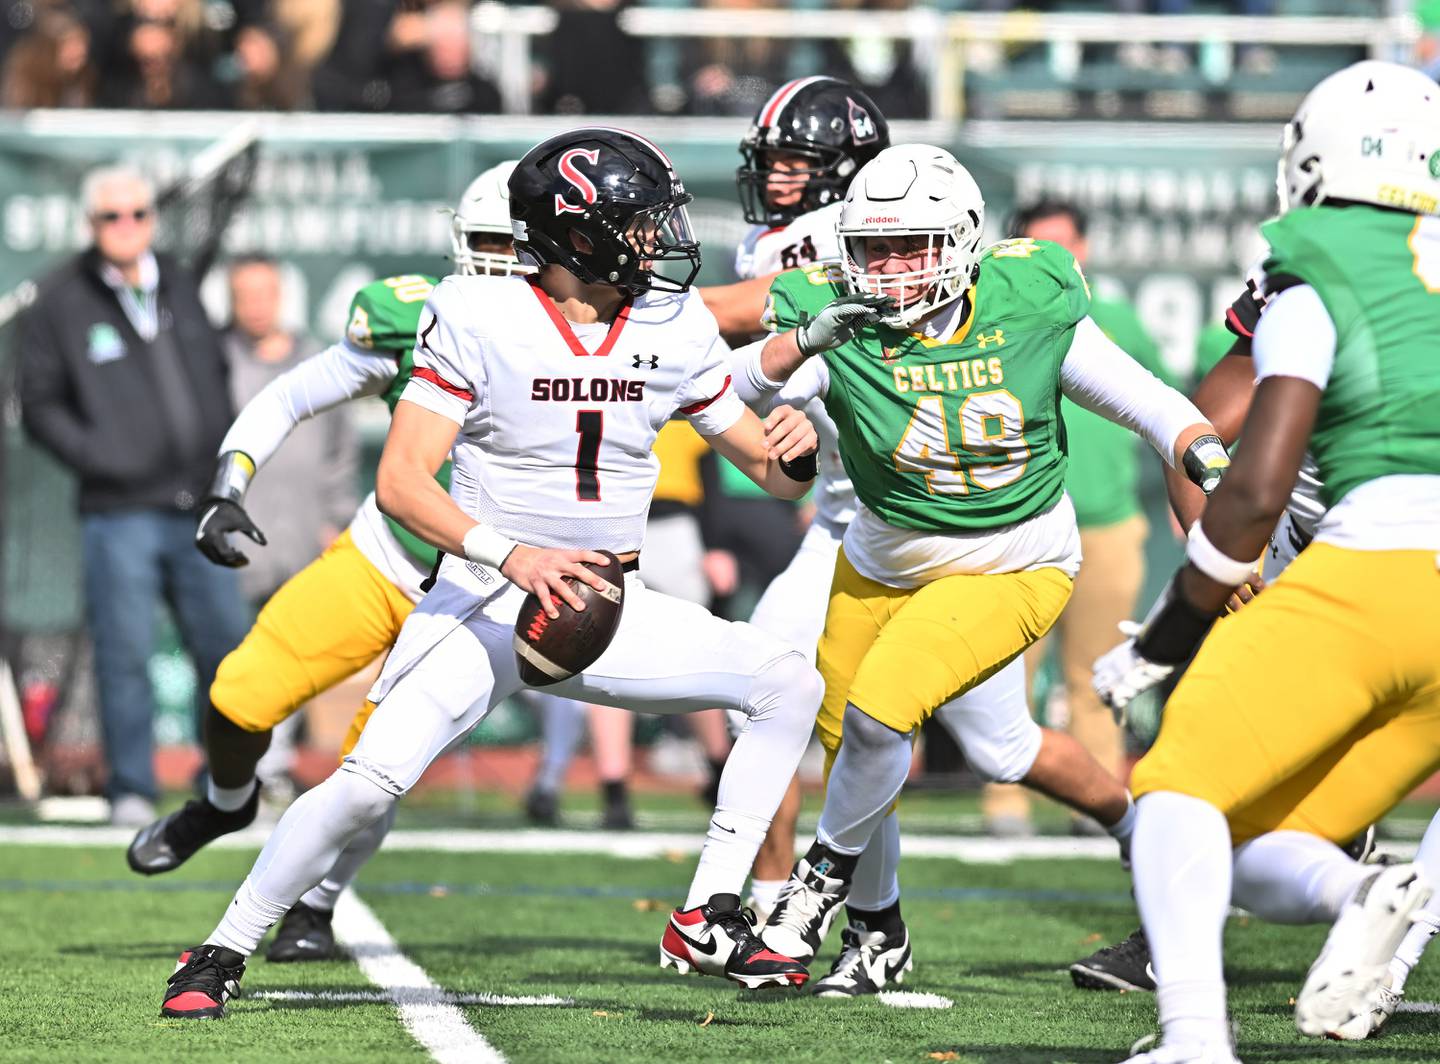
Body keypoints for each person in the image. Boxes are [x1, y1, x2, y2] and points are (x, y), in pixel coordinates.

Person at [158, 127, 829, 1019]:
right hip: (485, 596)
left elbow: (767, 465)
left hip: (604, 599)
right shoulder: (477, 315)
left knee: (788, 684)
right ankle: (223, 948)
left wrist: (797, 447)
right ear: (575, 234)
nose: (657, 240)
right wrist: (514, 553)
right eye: (636, 224)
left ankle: (707, 910)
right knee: (366, 783)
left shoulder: (676, 321)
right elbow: (400, 482)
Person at [734, 144, 1228, 976]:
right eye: (872, 249)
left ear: (962, 242)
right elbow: (730, 396)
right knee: (871, 742)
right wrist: (787, 373)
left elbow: (1161, 411)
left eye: (910, 247)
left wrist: (1216, 475)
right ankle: (879, 930)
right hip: (882, 560)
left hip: (1011, 561)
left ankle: (814, 891)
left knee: (881, 708)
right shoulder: (838, 318)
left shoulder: (1028, 303)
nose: (886, 269)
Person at [125, 162, 560, 967]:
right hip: (384, 556)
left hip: (480, 590)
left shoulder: (594, 334)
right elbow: (294, 392)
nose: (502, 266)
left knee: (374, 766)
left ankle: (315, 906)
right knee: (238, 694)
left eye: (518, 246)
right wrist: (232, 481)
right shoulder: (414, 316)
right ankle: (225, 803)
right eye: (490, 246)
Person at [1092, 62, 1440, 1062]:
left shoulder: (1319, 259)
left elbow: (1253, 484)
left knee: (1174, 789)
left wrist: (1171, 631)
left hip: (1377, 568)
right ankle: (1378, 912)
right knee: (1244, 844)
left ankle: (1195, 1037)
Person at [18, 164, 248, 826]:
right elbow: (39, 403)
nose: (128, 227)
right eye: (112, 217)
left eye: (139, 214)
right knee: (123, 654)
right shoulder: (62, 299)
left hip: (199, 504)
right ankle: (131, 789)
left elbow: (212, 370)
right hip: (119, 512)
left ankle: (226, 786)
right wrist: (104, 458)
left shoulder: (176, 280)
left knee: (229, 652)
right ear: (91, 225)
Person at [980, 199, 1170, 839]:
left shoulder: (1120, 323)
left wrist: (1184, 495)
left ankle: (1095, 802)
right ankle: (1005, 802)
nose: (1059, 259)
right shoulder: (990, 319)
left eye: (1066, 244)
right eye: (1041, 244)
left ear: (1085, 250)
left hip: (1108, 522)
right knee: (1008, 670)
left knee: (1099, 674)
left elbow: (1166, 413)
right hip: (1017, 522)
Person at [222, 255, 353, 606]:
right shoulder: (215, 367)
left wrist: (334, 521)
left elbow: (340, 452)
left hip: (307, 552)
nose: (255, 306)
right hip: (235, 558)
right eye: (244, 296)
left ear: (280, 295)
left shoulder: (319, 364)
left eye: (264, 294)